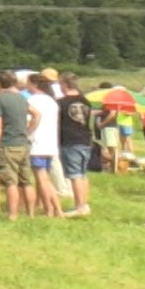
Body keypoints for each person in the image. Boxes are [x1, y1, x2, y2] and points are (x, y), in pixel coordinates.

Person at [0, 70, 32, 221]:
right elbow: (36, 114)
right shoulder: (21, 97)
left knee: (10, 182)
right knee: (26, 181)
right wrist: (28, 131)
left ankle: (13, 214)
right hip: (23, 143)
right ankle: (31, 213)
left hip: (8, 144)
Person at [55, 72, 93, 217]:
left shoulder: (61, 103)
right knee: (83, 174)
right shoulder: (85, 101)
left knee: (75, 174)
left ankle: (79, 206)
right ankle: (84, 203)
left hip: (70, 140)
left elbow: (57, 122)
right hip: (85, 139)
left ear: (64, 85)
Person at [24, 73, 62, 217]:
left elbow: (30, 120)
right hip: (50, 143)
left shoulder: (32, 101)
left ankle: (50, 209)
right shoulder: (51, 101)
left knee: (41, 178)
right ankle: (53, 208)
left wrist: (27, 133)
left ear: (34, 84)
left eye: (28, 83)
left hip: (37, 143)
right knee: (45, 176)